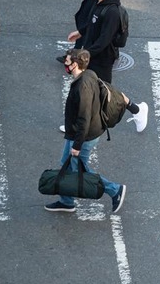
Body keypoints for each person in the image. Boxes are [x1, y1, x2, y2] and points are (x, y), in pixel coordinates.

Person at [45, 49, 132, 213]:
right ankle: (66, 200)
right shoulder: (90, 74)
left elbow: (83, 119)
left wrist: (77, 146)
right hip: (80, 133)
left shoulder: (82, 87)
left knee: (80, 168)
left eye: (68, 61)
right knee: (67, 163)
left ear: (75, 64)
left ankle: (115, 190)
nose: (65, 63)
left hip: (83, 136)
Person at [68, 0, 121, 83]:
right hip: (91, 54)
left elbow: (104, 39)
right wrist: (80, 32)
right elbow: (92, 22)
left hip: (102, 59)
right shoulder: (97, 1)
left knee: (102, 88)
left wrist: (86, 54)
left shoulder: (112, 12)